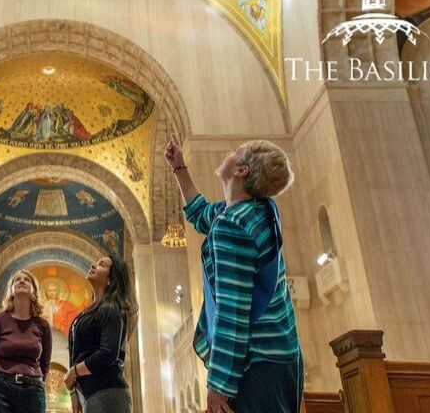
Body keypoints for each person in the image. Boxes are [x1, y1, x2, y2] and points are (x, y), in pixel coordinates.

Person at [165, 135, 303, 413]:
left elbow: (232, 312)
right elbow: (201, 214)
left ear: (241, 171)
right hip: (283, 357)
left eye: (236, 152)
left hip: (257, 366)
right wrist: (179, 168)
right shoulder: (258, 211)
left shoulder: (233, 227)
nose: (229, 152)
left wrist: (219, 386)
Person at [64, 254, 138, 413]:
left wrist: (73, 371)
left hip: (108, 394)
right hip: (91, 394)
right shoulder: (90, 311)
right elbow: (78, 354)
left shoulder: (112, 308)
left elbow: (108, 353)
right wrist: (73, 392)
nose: (93, 265)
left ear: (110, 279)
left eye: (102, 265)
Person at [0, 270, 52, 413]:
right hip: (0, 388)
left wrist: (36, 381)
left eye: (26, 280)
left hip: (33, 390)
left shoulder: (43, 325)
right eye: (17, 280)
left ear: (33, 292)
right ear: (11, 291)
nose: (21, 281)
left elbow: (45, 363)